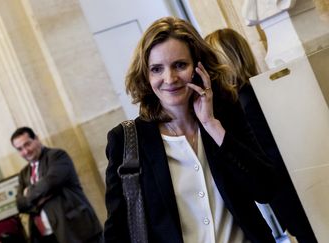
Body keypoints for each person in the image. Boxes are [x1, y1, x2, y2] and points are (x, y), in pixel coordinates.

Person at [104, 16, 279, 243]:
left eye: (180, 65)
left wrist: (211, 125)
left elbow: (265, 189)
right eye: (157, 69)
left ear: (199, 68)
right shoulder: (127, 140)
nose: (170, 78)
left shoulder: (224, 116)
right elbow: (116, 232)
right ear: (146, 76)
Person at [205, 28, 318, 243]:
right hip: (292, 188)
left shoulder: (244, 102)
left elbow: (268, 153)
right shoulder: (252, 94)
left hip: (290, 191)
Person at [11, 127, 102, 243]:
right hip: (48, 236)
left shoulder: (57, 156)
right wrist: (38, 197)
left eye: (27, 144)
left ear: (37, 139)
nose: (25, 151)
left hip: (75, 231)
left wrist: (28, 193)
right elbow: (20, 204)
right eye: (20, 149)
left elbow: (49, 184)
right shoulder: (23, 173)